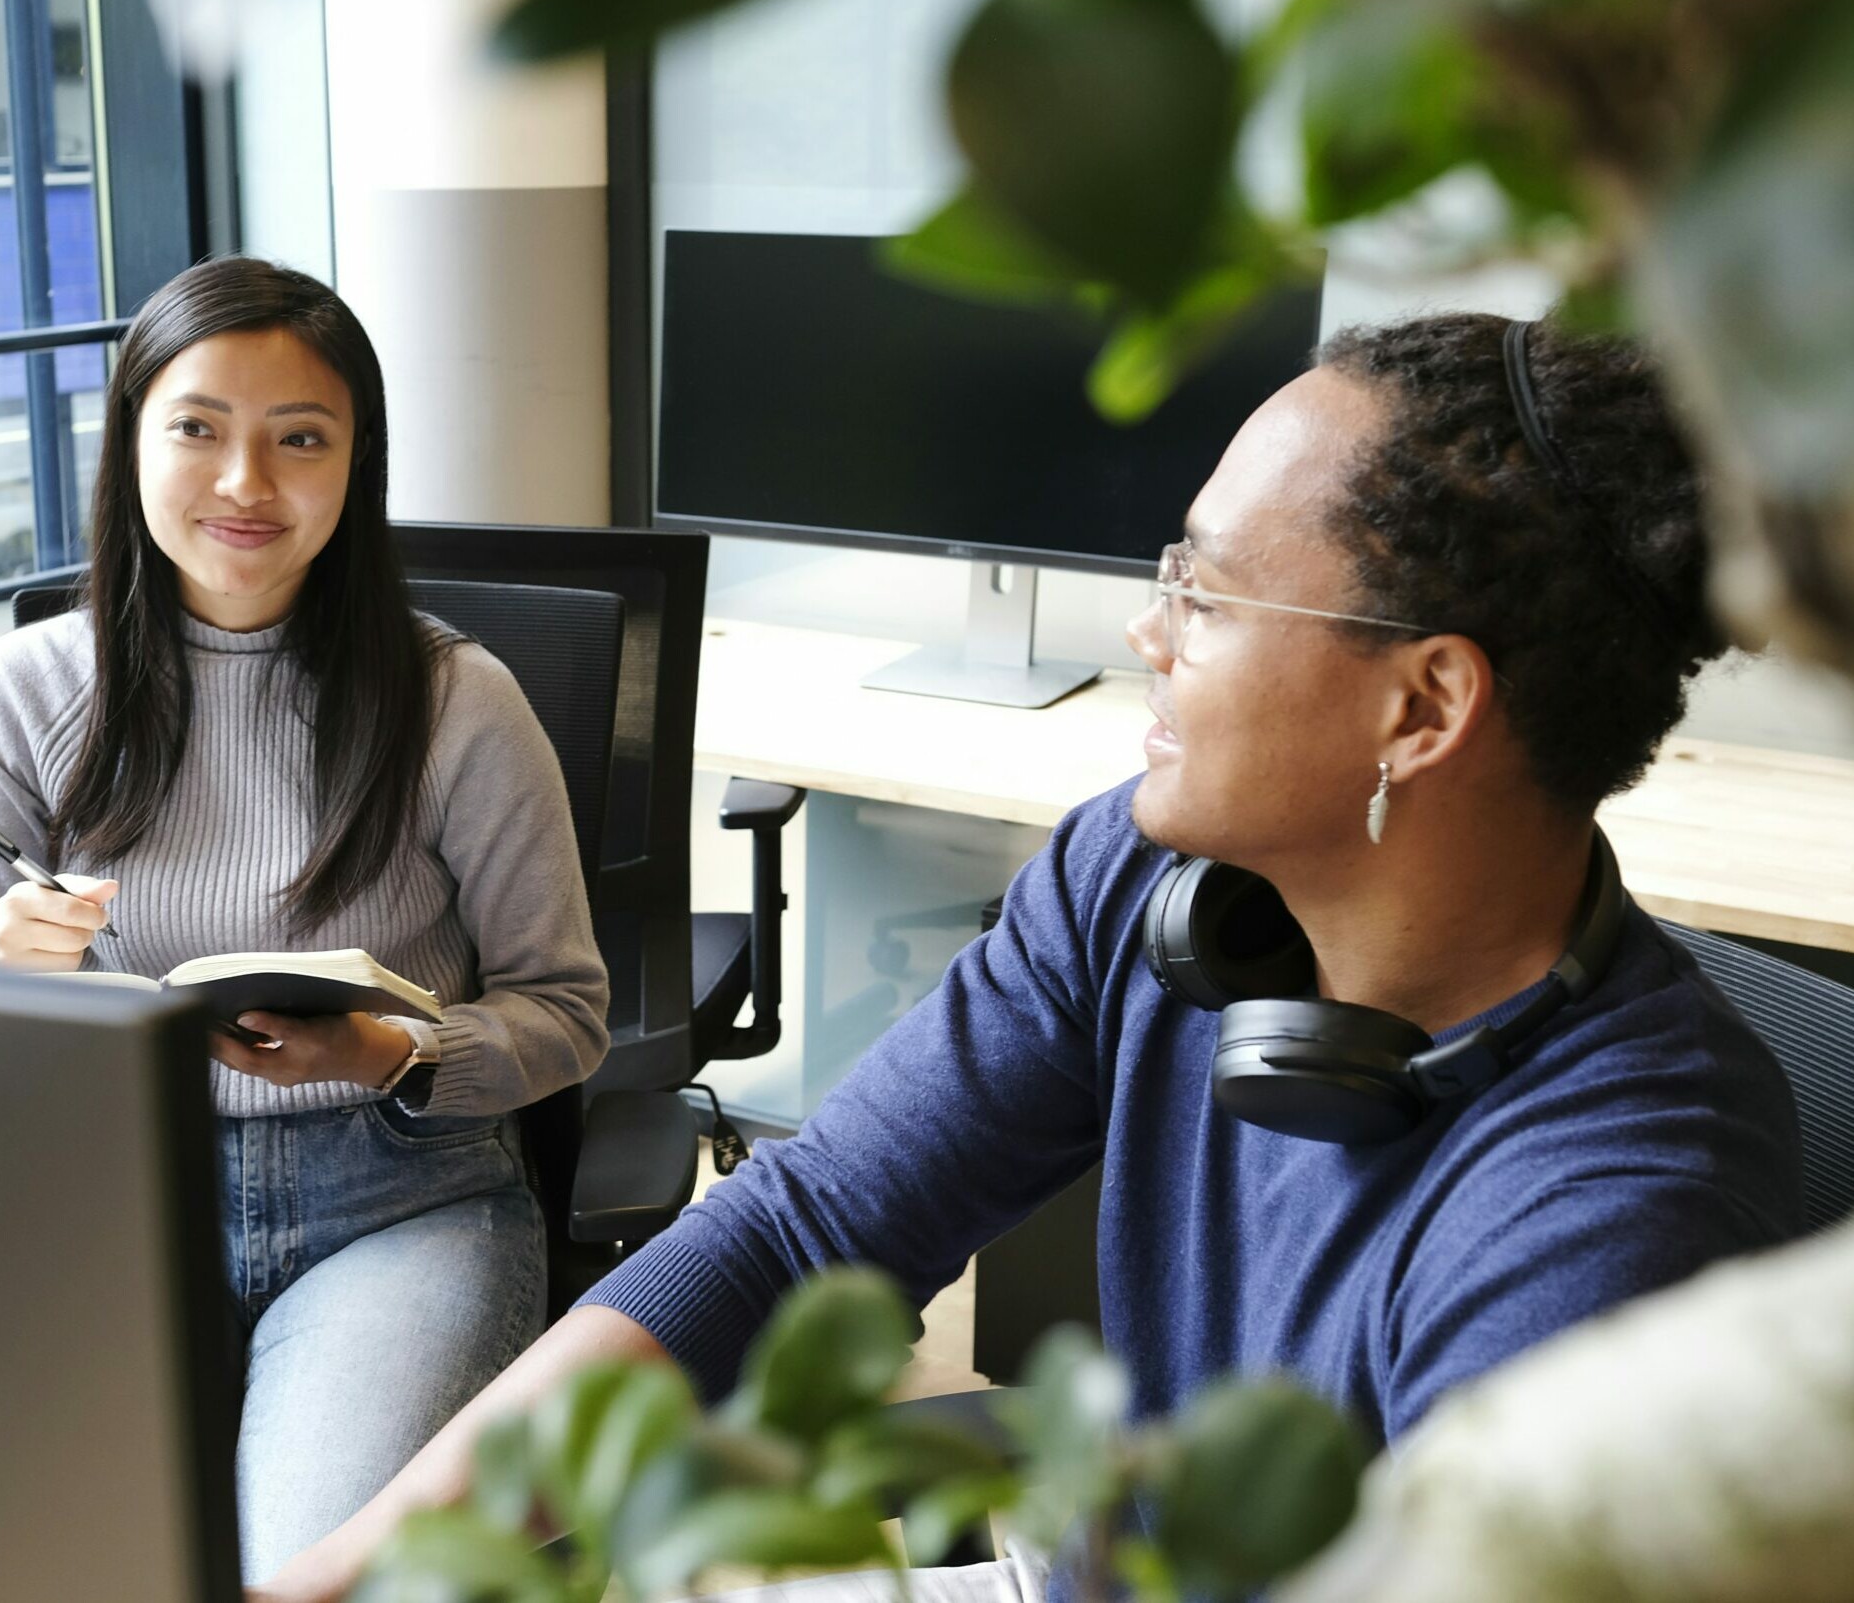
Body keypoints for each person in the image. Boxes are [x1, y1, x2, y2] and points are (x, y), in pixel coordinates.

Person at [251, 313, 1804, 1603]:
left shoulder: (1611, 1221)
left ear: (1422, 709)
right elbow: (803, 1236)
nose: (1152, 631)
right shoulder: (1145, 883)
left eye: (1207, 587)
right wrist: (372, 1565)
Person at [0, 255, 609, 1582]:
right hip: (102, 1204)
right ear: (131, 444)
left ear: (358, 468)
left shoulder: (460, 702)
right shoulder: (21, 690)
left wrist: (395, 1052)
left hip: (398, 1204)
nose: (247, 484)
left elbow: (569, 1010)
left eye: (301, 439)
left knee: (301, 1573)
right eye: (198, 429)